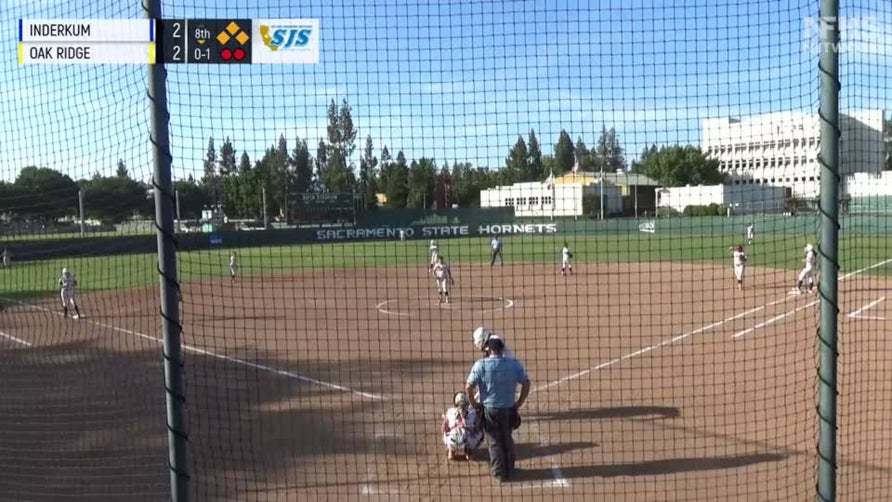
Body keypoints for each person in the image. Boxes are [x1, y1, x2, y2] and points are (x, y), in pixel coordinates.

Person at [466, 336, 530, 483]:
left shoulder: (480, 365)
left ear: (488, 349)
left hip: (490, 410)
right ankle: (510, 469)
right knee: (507, 438)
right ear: (502, 350)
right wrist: (519, 402)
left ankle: (499, 473)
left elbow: (469, 386)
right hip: (509, 408)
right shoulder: (513, 364)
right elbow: (526, 383)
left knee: (494, 442)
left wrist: (474, 404)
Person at [441, 391, 483, 461]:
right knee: (480, 432)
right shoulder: (473, 412)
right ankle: (469, 452)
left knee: (446, 429)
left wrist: (446, 419)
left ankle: (451, 451)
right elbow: (477, 428)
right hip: (467, 442)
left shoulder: (450, 411)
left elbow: (444, 429)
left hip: (452, 441)